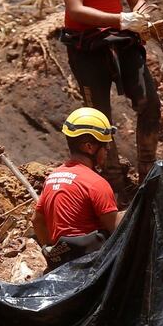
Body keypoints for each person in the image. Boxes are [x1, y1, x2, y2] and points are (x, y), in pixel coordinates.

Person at [55, 0, 163, 197]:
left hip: (121, 38)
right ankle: (114, 180)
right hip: (87, 44)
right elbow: (76, 9)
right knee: (99, 117)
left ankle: (147, 172)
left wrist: (141, 19)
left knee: (149, 103)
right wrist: (121, 19)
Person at [32, 107, 123, 271]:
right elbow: (119, 230)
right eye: (105, 146)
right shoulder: (95, 183)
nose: (108, 150)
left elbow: (37, 221)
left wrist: (50, 250)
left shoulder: (53, 177)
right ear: (89, 147)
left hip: (62, 266)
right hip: (91, 268)